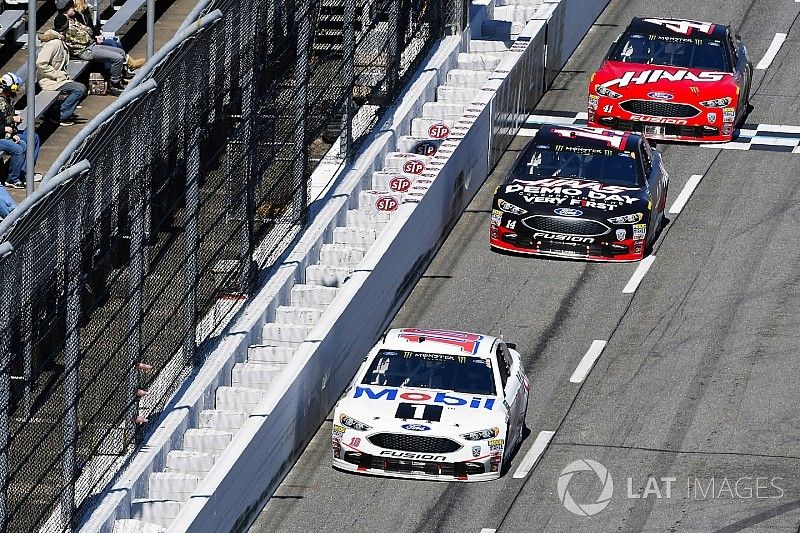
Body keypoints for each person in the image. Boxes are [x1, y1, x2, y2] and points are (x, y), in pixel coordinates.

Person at [55, 2, 126, 95]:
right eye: (72, 7)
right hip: (84, 51)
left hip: (91, 46)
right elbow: (84, 38)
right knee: (118, 58)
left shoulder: (73, 19)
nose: (74, 8)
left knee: (121, 52)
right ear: (67, 9)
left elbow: (89, 30)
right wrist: (89, 34)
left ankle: (115, 76)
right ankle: (114, 83)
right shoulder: (64, 22)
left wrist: (89, 33)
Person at [38, 17, 88, 127]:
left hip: (57, 79)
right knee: (80, 89)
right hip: (50, 81)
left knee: (78, 88)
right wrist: (57, 75)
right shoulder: (54, 43)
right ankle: (61, 115)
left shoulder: (60, 40)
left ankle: (59, 111)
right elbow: (41, 63)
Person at [0, 73, 41, 189]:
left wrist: (12, 132)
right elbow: (3, 120)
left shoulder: (6, 98)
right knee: (19, 148)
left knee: (32, 138)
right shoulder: (1, 101)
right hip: (3, 134)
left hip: (8, 132)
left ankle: (25, 172)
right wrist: (12, 120)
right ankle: (13, 179)